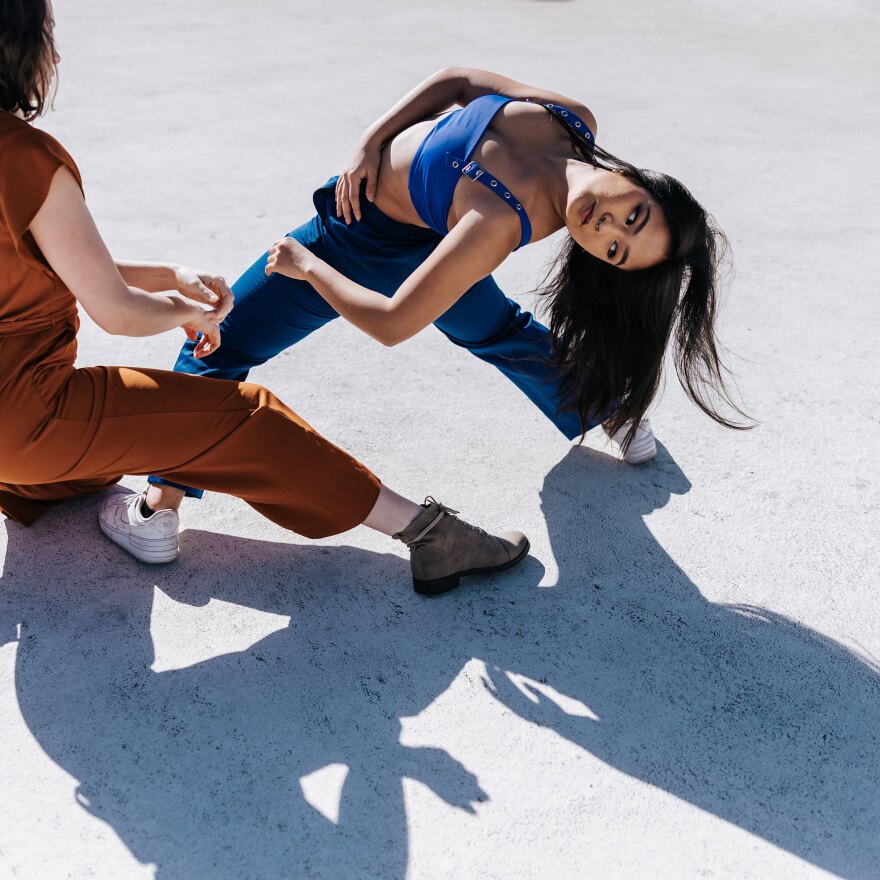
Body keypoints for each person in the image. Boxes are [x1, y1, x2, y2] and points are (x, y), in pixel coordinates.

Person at [0, 1, 529, 596]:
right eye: (47, 34)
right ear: (17, 47)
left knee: (92, 472)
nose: (57, 53)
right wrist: (188, 312)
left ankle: (77, 489)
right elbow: (116, 313)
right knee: (245, 415)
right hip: (25, 416)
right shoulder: (26, 158)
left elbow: (35, 257)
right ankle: (431, 534)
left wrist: (170, 274)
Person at [145, 65, 749, 513]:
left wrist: (307, 266)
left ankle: (157, 508)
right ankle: (605, 406)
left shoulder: (498, 223)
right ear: (645, 181)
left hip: (350, 239)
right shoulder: (573, 120)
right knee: (500, 330)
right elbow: (459, 82)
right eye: (634, 216)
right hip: (413, 228)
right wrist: (371, 139)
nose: (605, 229)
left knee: (217, 341)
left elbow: (390, 323)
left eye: (615, 252)